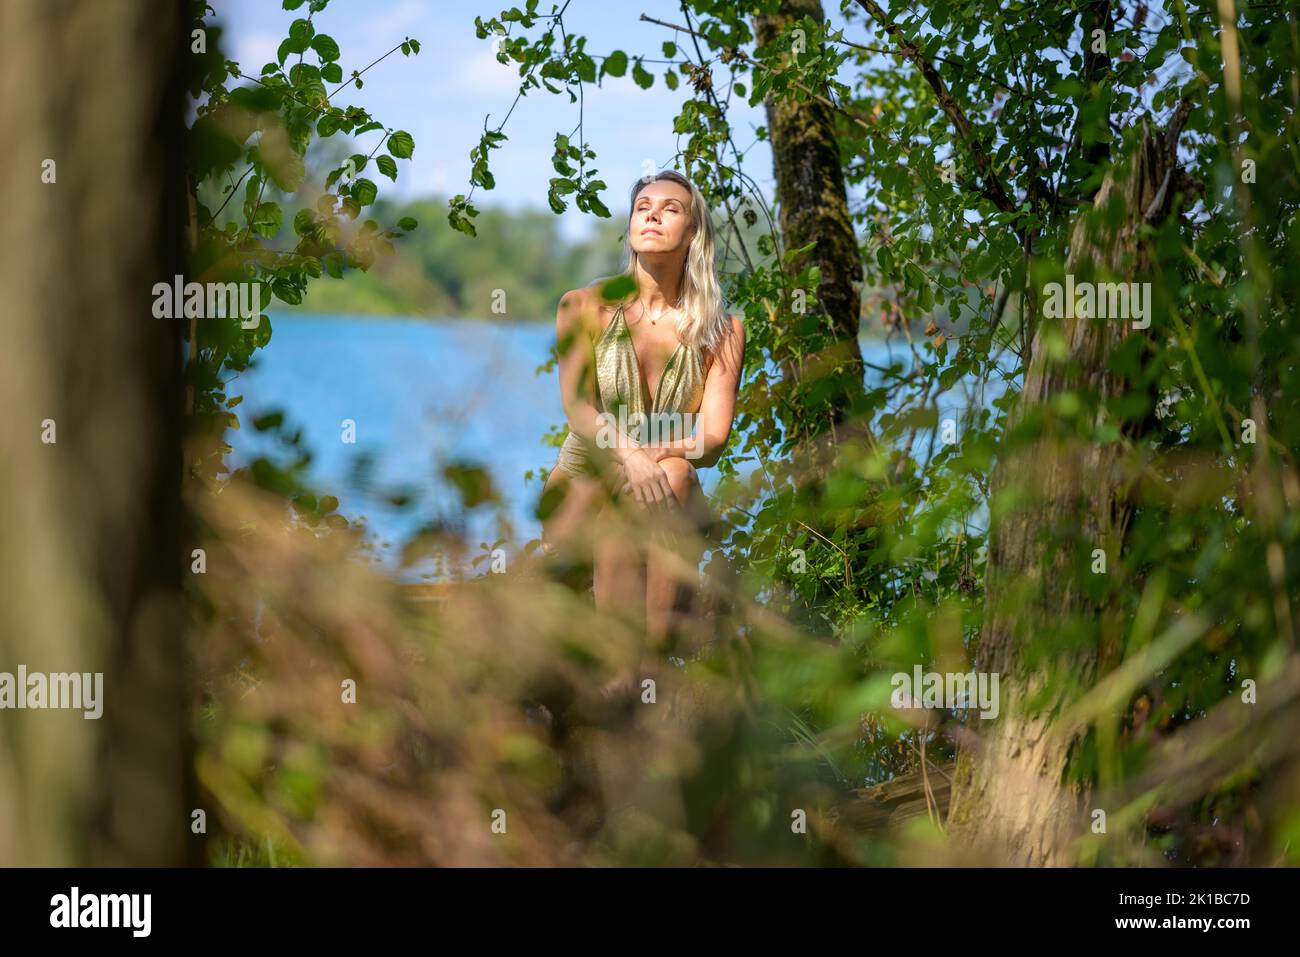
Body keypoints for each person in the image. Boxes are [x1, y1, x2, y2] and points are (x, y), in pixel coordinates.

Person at [539, 169, 745, 678]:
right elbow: (579, 412)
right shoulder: (582, 306)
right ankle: (620, 665)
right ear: (631, 224)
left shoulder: (722, 328)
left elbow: (713, 437)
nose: (651, 214)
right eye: (642, 206)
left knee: (673, 472)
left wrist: (651, 458)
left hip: (668, 484)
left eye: (670, 208)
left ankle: (645, 669)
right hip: (587, 475)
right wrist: (630, 455)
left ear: (694, 233)